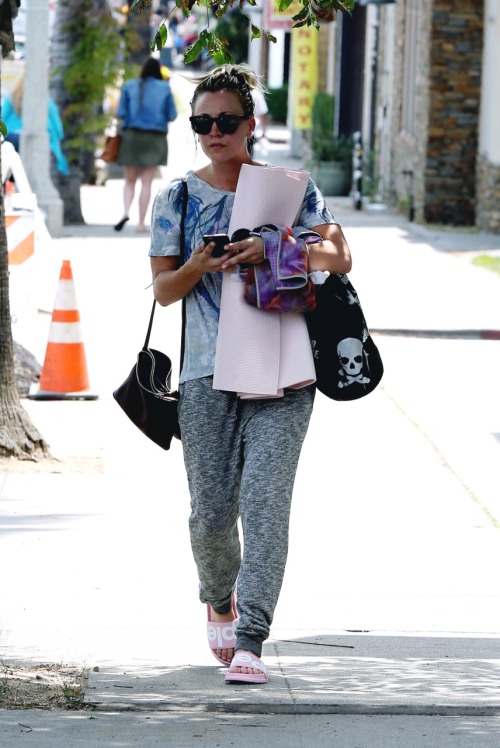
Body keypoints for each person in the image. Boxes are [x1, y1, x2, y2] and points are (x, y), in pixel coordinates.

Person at [149, 64, 352, 684]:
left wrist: (277, 247)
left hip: (285, 368)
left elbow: (338, 255)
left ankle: (251, 640)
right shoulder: (176, 198)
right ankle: (219, 596)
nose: (215, 132)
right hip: (208, 374)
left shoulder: (292, 188)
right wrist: (200, 264)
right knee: (210, 515)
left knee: (265, 505)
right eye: (202, 122)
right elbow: (162, 291)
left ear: (250, 126)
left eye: (226, 121)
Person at [114, 56, 177, 233]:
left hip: (132, 136)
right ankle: (141, 223)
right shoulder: (165, 89)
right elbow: (172, 115)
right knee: (146, 183)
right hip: (155, 138)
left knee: (129, 181)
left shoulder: (129, 85)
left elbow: (121, 112)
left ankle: (126, 212)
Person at [2, 75, 70, 176]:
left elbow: (2, 118)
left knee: (10, 172)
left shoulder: (11, 98)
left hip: (12, 139)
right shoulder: (46, 101)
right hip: (39, 141)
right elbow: (58, 129)